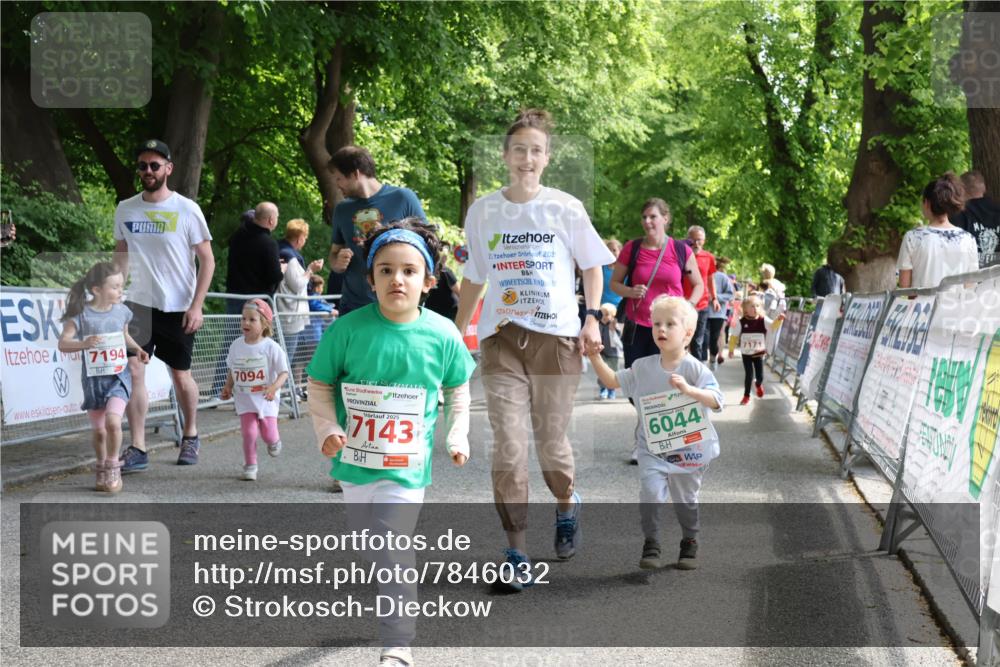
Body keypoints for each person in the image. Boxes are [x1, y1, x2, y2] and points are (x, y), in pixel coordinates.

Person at [306, 220, 475, 665]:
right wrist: (327, 429)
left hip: (406, 466)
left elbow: (458, 390)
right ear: (371, 279)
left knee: (392, 544)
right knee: (370, 544)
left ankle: (397, 645)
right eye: (385, 270)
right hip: (355, 464)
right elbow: (319, 384)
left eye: (408, 271)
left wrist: (457, 434)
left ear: (428, 282)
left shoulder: (443, 334)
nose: (397, 279)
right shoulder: (347, 330)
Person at [454, 109, 613, 583]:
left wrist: (591, 317)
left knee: (551, 446)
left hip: (557, 339)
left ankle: (566, 503)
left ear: (547, 158)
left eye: (536, 150)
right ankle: (516, 551)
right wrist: (455, 331)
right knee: (508, 446)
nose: (527, 158)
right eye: (519, 149)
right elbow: (474, 276)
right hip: (501, 339)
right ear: (506, 155)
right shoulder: (483, 212)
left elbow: (591, 265)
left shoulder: (565, 207)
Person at [586, 296, 723, 571]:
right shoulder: (642, 366)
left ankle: (690, 539)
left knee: (686, 500)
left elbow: (716, 400)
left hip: (688, 450)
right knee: (650, 493)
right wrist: (594, 356)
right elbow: (612, 381)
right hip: (652, 448)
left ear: (687, 333)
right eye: (657, 323)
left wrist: (690, 390)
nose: (661, 329)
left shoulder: (695, 368)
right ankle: (652, 541)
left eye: (670, 324)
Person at [114, 139, 215, 471]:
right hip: (138, 305)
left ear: (168, 169)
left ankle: (191, 434)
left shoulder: (187, 209)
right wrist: (115, 293)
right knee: (134, 370)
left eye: (154, 165)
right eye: (142, 165)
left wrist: (197, 306)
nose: (148, 171)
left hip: (178, 307)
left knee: (181, 376)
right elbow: (121, 255)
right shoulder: (125, 208)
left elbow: (207, 260)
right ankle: (138, 447)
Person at [610, 198, 703, 464]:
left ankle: (651, 441)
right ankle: (650, 432)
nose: (648, 221)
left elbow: (698, 285)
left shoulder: (680, 250)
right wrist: (630, 291)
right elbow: (615, 283)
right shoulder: (632, 248)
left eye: (653, 216)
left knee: (669, 383)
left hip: (671, 329)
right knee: (636, 384)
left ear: (665, 218)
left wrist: (687, 307)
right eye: (644, 217)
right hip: (639, 326)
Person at [58, 262, 150, 492]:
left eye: (121, 286)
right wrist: (84, 343)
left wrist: (138, 349)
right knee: (99, 431)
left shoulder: (122, 311)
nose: (120, 291)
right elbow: (63, 343)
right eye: (115, 287)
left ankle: (113, 466)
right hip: (94, 381)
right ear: (97, 290)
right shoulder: (80, 314)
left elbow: (124, 335)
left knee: (113, 422)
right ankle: (101, 467)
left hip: (118, 378)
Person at [327, 146, 427, 316]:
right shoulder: (342, 210)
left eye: (339, 179)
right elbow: (334, 253)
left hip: (398, 305)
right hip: (353, 307)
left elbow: (428, 246)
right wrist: (337, 262)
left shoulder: (403, 198)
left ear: (355, 174)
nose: (337, 185)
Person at [212, 204, 283, 396]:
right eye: (277, 217)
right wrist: (281, 270)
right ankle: (257, 387)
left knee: (230, 343)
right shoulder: (268, 243)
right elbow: (274, 276)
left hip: (234, 297)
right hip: (257, 304)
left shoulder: (237, 237)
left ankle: (219, 389)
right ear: (271, 220)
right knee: (259, 343)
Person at [219, 299, 288, 481]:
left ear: (264, 323)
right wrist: (228, 386)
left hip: (266, 399)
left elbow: (284, 373)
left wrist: (273, 387)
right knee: (249, 433)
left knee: (268, 434)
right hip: (245, 399)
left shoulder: (271, 347)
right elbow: (232, 369)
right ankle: (250, 465)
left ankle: (274, 441)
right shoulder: (236, 345)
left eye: (252, 319)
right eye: (243, 319)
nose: (246, 323)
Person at [898, 172, 978, 289]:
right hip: (957, 301)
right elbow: (970, 285)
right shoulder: (968, 239)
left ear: (927, 203)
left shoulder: (912, 238)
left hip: (923, 301)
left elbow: (905, 286)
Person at [277, 219, 324, 397]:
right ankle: (283, 393)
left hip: (287, 313)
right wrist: (310, 270)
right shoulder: (290, 258)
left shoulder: (281, 251)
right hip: (290, 315)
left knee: (288, 356)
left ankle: (288, 391)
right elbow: (297, 285)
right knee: (286, 357)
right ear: (300, 238)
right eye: (305, 237)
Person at [729, 294, 784, 405]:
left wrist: (779, 319)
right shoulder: (741, 322)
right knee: (749, 375)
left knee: (760, 376)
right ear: (745, 309)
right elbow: (734, 336)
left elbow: (773, 326)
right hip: (746, 353)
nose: (755, 309)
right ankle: (746, 396)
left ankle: (758, 384)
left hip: (758, 353)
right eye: (752, 306)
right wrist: (731, 349)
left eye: (757, 306)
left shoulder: (763, 320)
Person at [684, 225, 719, 362]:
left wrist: (714, 298)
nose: (695, 243)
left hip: (702, 304)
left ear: (704, 241)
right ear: (687, 239)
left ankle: (696, 369)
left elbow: (710, 279)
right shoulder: (682, 255)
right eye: (692, 239)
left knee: (697, 341)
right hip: (683, 303)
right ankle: (679, 367)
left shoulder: (708, 257)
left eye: (699, 240)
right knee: (682, 338)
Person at [951, 170, 1000, 268]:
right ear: (984, 188)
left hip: (972, 274)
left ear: (961, 190)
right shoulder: (998, 210)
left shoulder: (957, 215)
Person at [707, 257, 735, 369]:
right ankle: (700, 362)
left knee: (714, 339)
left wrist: (715, 297)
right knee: (701, 339)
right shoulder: (699, 275)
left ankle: (713, 358)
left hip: (717, 314)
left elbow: (730, 295)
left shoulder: (722, 277)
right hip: (701, 312)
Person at [423, 243, 460, 320]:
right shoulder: (429, 271)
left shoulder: (445, 272)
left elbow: (460, 292)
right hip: (434, 313)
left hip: (446, 313)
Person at [597, 302, 623, 400]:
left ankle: (611, 390)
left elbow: (619, 337)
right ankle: (603, 388)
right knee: (602, 372)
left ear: (612, 316)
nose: (604, 317)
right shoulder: (598, 325)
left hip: (613, 354)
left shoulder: (614, 325)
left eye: (607, 314)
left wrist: (614, 328)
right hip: (602, 353)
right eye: (602, 314)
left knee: (613, 372)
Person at [600, 238, 624, 310]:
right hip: (603, 306)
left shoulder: (624, 269)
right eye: (609, 250)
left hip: (619, 307)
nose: (611, 252)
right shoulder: (601, 268)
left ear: (620, 251)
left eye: (614, 250)